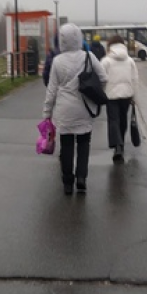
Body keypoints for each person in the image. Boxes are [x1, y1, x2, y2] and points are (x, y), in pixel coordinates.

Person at [43, 23, 107, 195]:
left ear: (62, 40)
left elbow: (51, 89)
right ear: (79, 38)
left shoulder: (57, 61)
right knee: (84, 143)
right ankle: (81, 178)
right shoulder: (88, 56)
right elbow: (103, 77)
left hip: (64, 111)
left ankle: (67, 182)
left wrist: (47, 113)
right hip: (85, 107)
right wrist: (95, 92)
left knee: (66, 145)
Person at [100, 35, 138, 163]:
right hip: (127, 94)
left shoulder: (106, 61)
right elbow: (135, 79)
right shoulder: (130, 61)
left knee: (113, 120)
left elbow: (101, 79)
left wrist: (102, 93)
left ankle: (118, 146)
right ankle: (120, 144)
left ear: (110, 45)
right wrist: (134, 96)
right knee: (123, 120)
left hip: (111, 96)